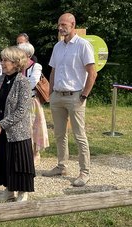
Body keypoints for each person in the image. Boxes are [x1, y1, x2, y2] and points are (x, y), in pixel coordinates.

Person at [42, 13, 97, 187]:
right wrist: (50, 93)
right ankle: (61, 166)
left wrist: (84, 95)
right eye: (59, 24)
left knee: (79, 135)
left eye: (64, 24)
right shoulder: (58, 46)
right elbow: (52, 71)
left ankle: (84, 172)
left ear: (73, 24)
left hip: (76, 96)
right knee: (59, 134)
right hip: (57, 96)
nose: (60, 27)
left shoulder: (83, 45)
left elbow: (92, 73)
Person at [0, 46, 35, 202]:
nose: (2, 63)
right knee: (4, 160)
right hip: (0, 130)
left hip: (17, 132)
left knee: (18, 162)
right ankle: (9, 189)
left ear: (16, 63)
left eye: (5, 60)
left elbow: (22, 110)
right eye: (2, 59)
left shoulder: (23, 83)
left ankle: (22, 191)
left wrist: (2, 124)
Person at [18, 42, 49, 165]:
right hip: (19, 101)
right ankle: (23, 152)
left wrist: (19, 88)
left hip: (31, 101)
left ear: (27, 54)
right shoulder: (17, 66)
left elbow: (33, 81)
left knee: (34, 127)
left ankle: (35, 153)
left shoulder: (36, 66)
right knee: (22, 128)